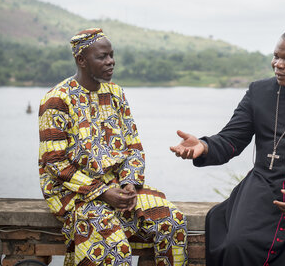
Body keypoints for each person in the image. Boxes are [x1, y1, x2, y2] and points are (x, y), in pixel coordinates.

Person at [170, 26, 285, 266]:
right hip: (264, 188)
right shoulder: (259, 91)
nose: (277, 64)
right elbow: (232, 139)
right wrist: (204, 147)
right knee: (236, 244)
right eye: (276, 56)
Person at [39, 28, 188, 266]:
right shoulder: (57, 99)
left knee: (172, 220)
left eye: (112, 55)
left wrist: (130, 183)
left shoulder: (116, 93)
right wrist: (102, 192)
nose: (111, 62)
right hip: (75, 195)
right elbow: (54, 162)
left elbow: (134, 147)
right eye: (102, 57)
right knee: (113, 247)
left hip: (117, 187)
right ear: (81, 61)